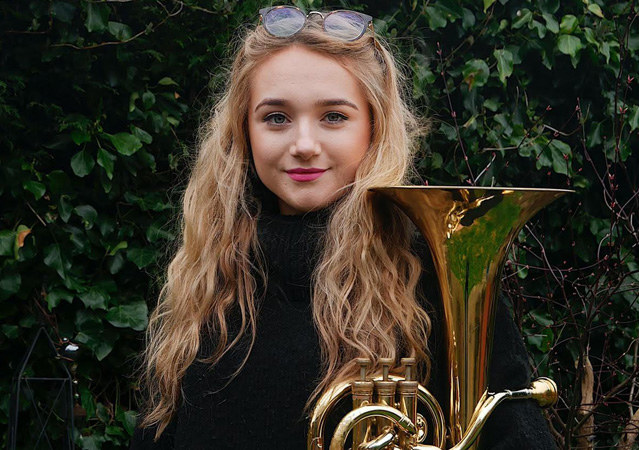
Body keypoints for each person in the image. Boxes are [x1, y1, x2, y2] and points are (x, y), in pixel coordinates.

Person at [131, 6, 556, 450]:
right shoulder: (205, 282)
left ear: (373, 127)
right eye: (276, 117)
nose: (304, 145)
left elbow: (517, 431)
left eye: (334, 116)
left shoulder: (434, 274)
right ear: (244, 130)